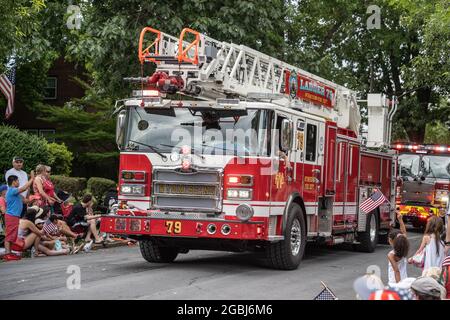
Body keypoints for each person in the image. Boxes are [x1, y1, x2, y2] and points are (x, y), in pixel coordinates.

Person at [3, 173, 34, 261]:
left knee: (12, 235)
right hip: (11, 216)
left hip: (14, 216)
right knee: (9, 235)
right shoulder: (12, 190)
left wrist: (33, 199)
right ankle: (7, 254)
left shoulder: (15, 192)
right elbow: (23, 188)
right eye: (17, 181)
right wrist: (31, 179)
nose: (18, 182)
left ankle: (9, 253)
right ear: (13, 182)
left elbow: (25, 201)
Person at [387, 210, 410, 285]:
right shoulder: (404, 248)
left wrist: (398, 286)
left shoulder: (391, 255)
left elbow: (396, 271)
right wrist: (400, 219)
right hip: (405, 281)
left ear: (390, 240)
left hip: (394, 283)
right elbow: (404, 233)